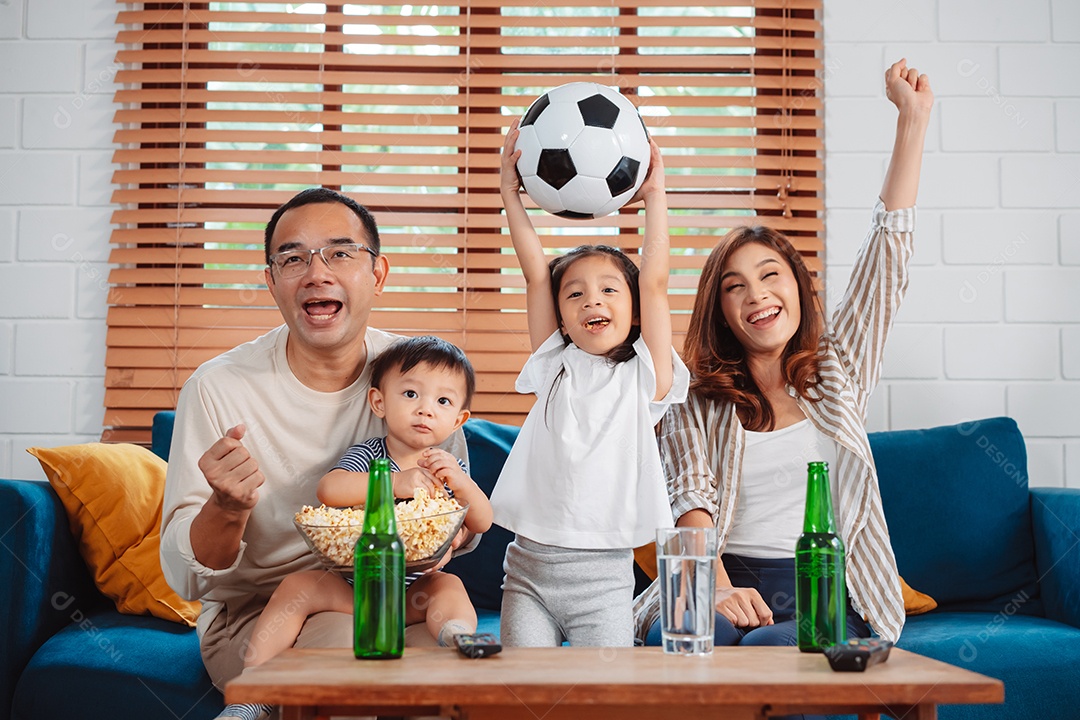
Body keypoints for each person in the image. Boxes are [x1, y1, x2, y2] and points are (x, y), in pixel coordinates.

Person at [634, 59, 933, 655]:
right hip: (716, 571)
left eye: (771, 275)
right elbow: (689, 499)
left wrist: (912, 120)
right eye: (735, 286)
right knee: (696, 636)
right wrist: (715, 590)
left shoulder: (837, 370)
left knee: (771, 650)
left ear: (798, 287)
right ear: (721, 310)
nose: (757, 295)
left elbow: (885, 265)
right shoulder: (695, 395)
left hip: (824, 586)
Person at [159, 188, 471, 720]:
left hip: (399, 598)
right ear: (271, 280)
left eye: (340, 253)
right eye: (293, 258)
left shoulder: (420, 381)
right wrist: (227, 508)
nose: (316, 272)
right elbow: (187, 578)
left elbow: (455, 522)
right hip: (263, 613)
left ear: (377, 274)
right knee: (354, 659)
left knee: (453, 685)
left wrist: (451, 538)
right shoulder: (218, 389)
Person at [219, 336, 493, 720]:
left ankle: (455, 634)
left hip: (414, 597)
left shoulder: (448, 467)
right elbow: (329, 489)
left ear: (459, 420)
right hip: (354, 590)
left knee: (450, 587)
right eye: (411, 394)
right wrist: (395, 483)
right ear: (379, 402)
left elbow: (482, 521)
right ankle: (252, 693)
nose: (426, 410)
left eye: (443, 402)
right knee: (298, 587)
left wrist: (462, 485)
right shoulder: (369, 454)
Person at [491, 121, 690, 647]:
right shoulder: (554, 363)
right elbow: (536, 274)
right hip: (529, 571)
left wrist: (655, 197)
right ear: (560, 316)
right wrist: (510, 194)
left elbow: (655, 280)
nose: (592, 301)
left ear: (635, 311)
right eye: (575, 295)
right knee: (525, 697)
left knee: (604, 700)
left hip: (603, 582)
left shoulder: (646, 376)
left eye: (608, 290)